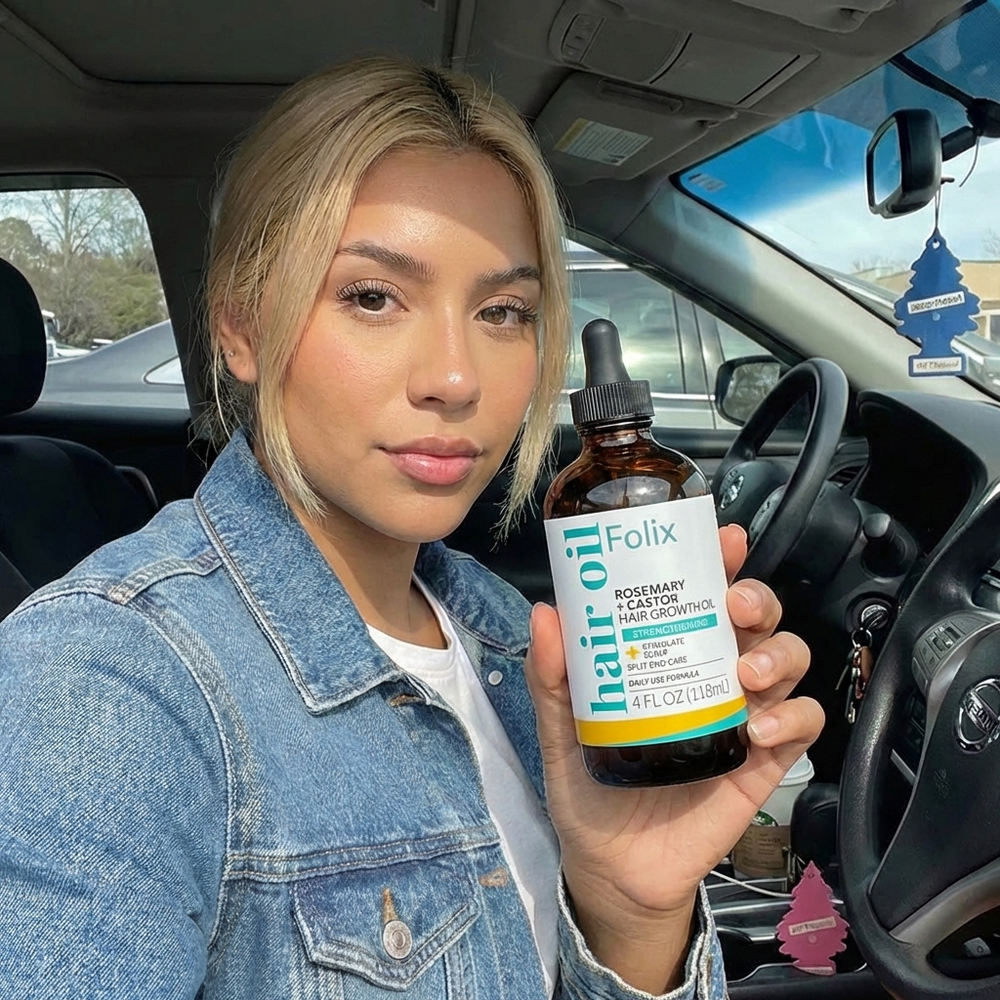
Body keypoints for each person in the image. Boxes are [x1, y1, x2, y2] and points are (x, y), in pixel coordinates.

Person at [0, 58, 823, 998]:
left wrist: (631, 914)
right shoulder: (100, 689)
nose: (456, 377)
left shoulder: (507, 635)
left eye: (503, 311)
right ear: (240, 329)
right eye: (373, 296)